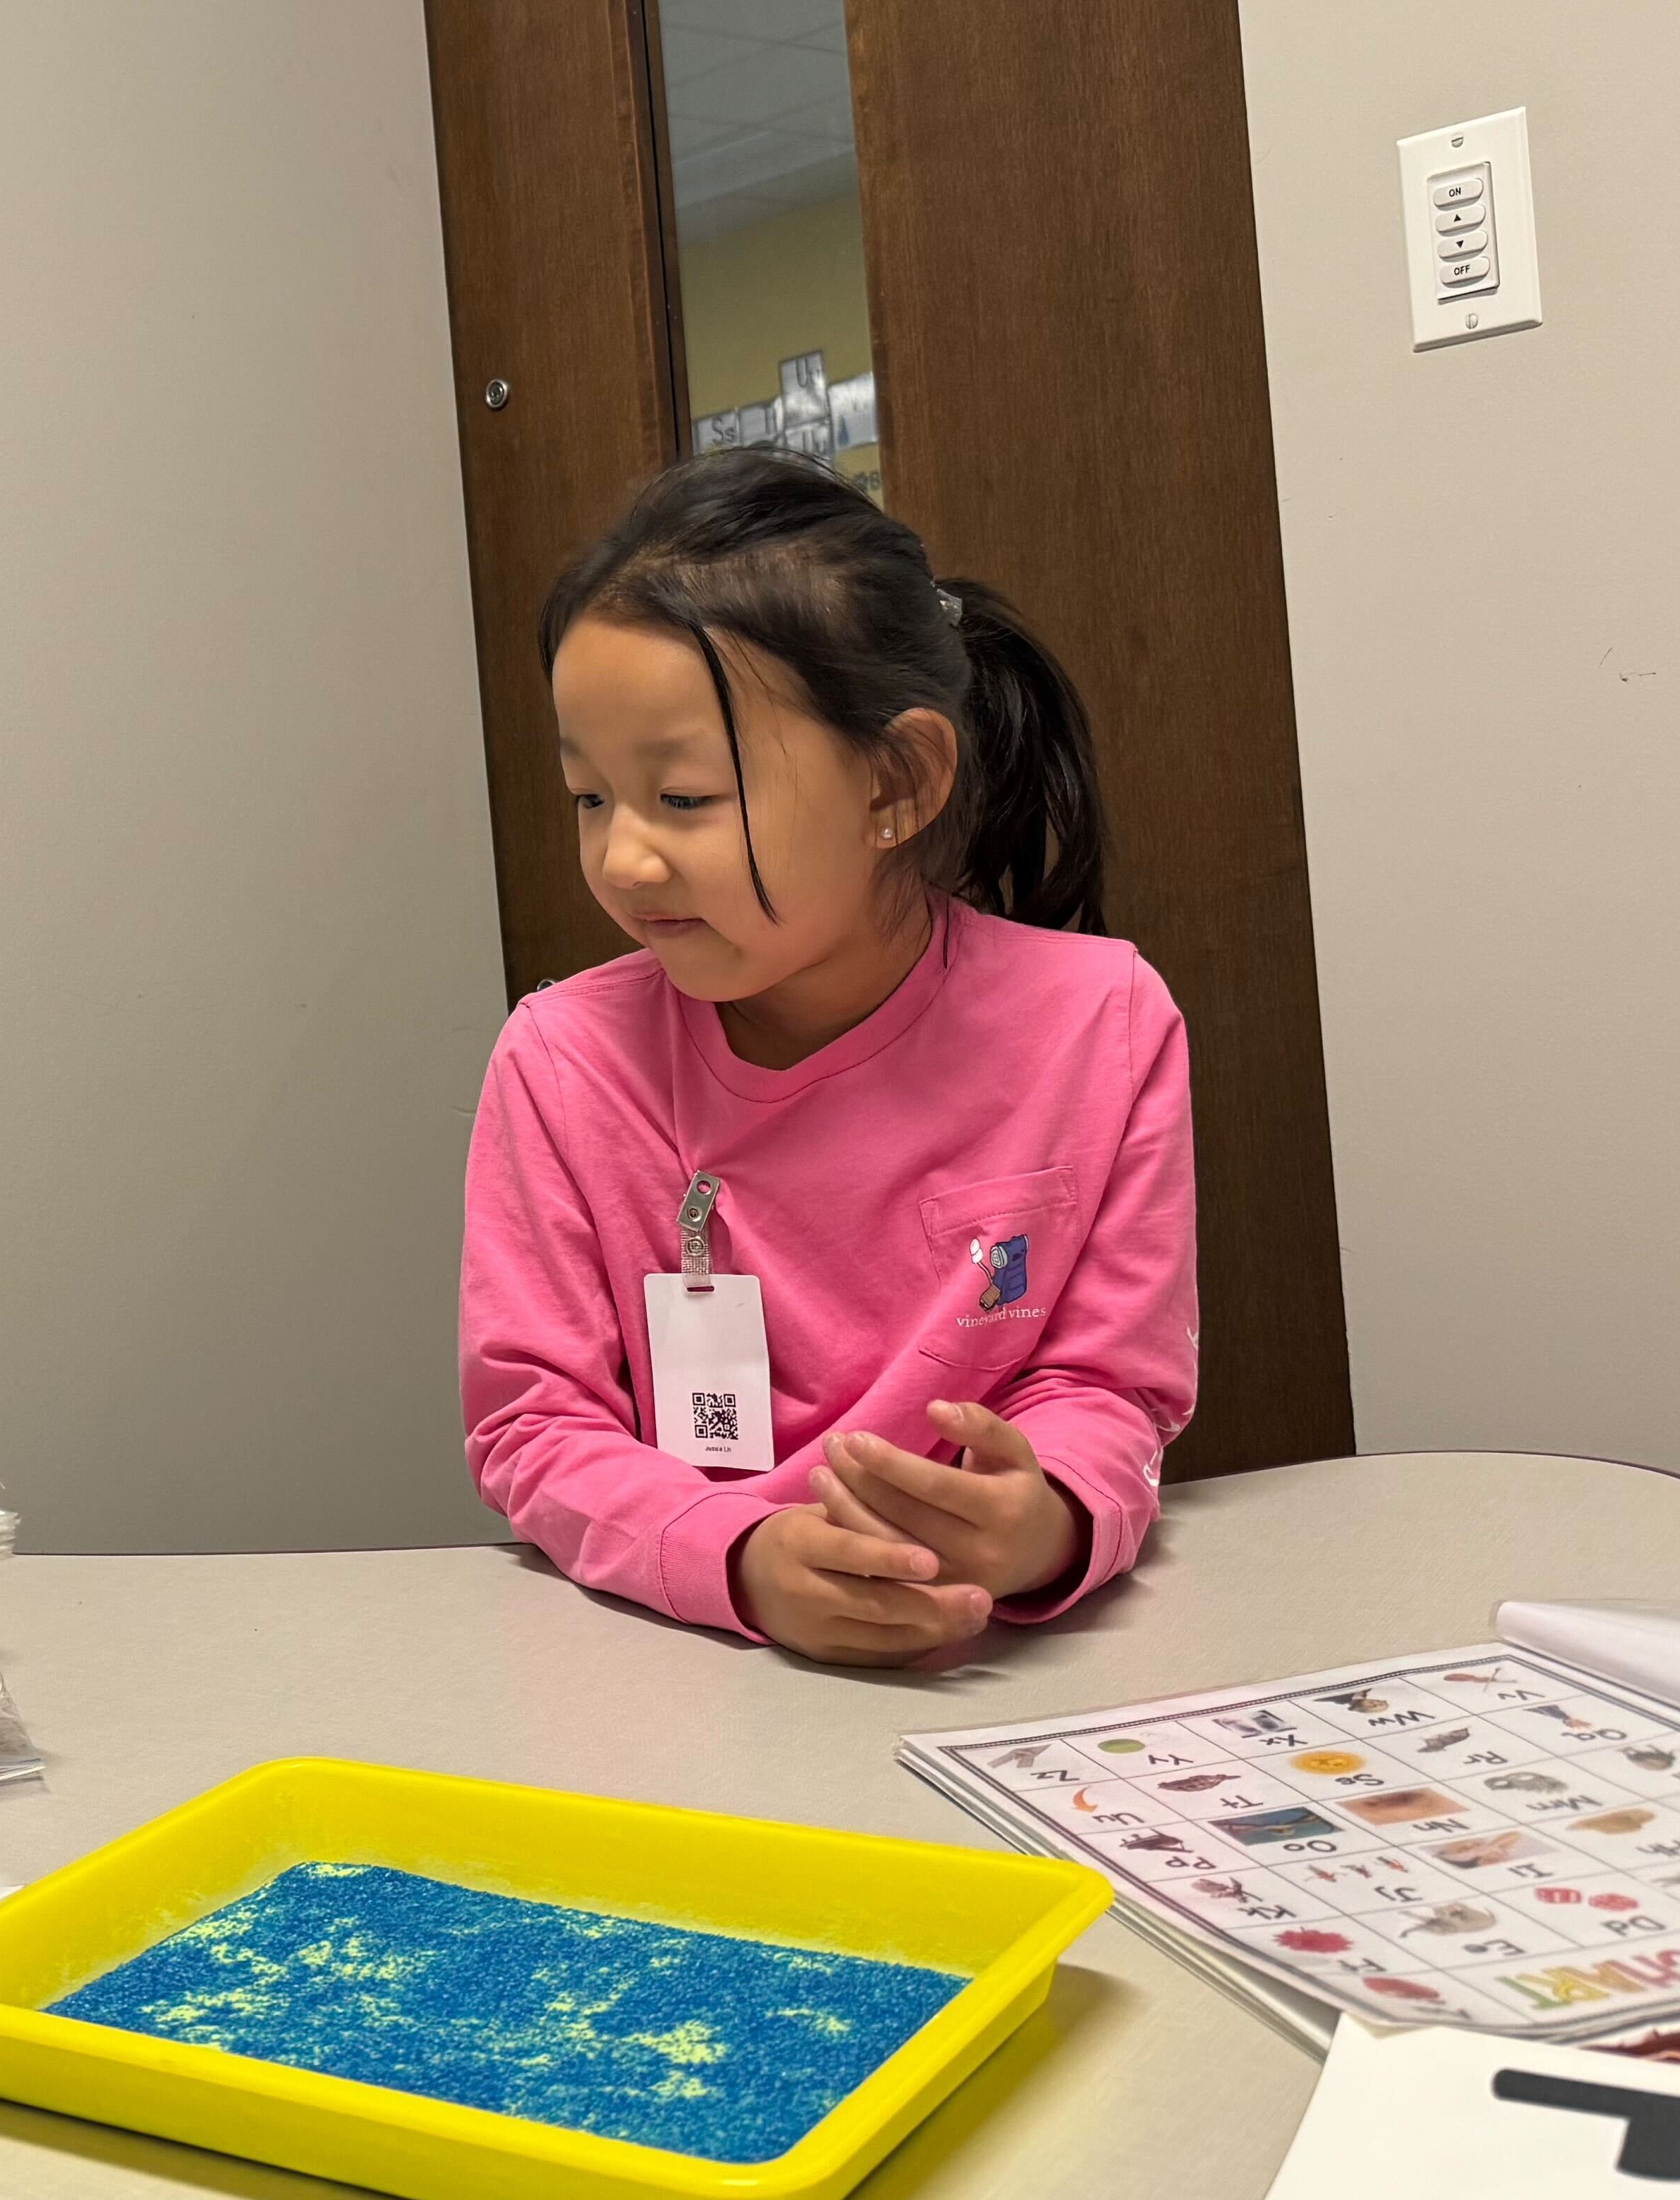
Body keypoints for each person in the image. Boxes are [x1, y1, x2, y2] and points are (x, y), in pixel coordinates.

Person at [458, 452, 1194, 1667]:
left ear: (896, 782)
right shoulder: (561, 1059)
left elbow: (1112, 1386)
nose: (623, 862)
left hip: (1001, 1672)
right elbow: (534, 1427)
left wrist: (1049, 1518)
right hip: (691, 1665)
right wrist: (735, 1561)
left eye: (683, 797)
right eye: (591, 798)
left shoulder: (1101, 1023)